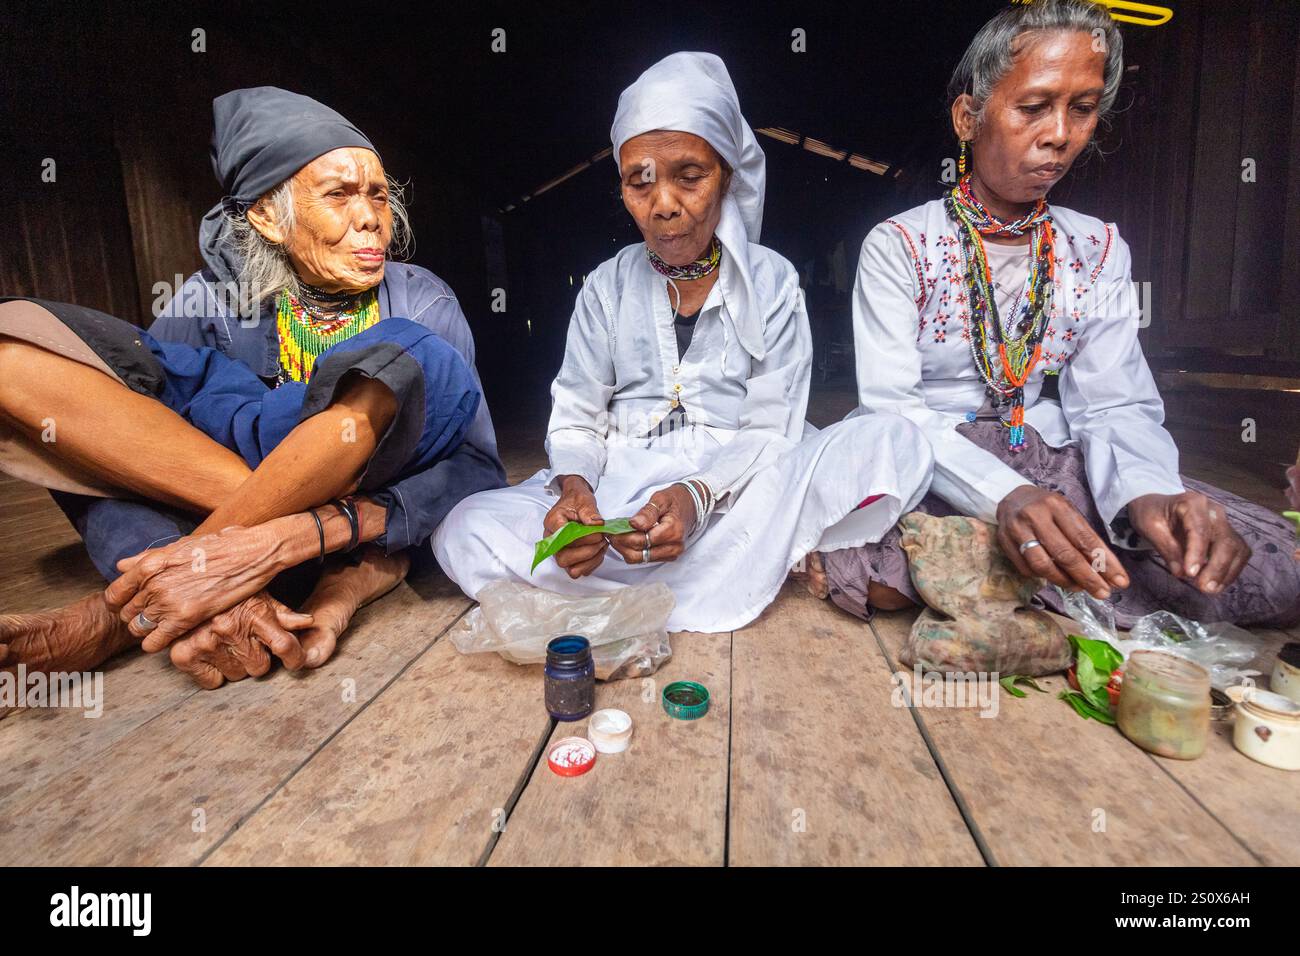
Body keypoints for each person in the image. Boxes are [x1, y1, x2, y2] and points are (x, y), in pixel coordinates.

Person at [815, 0, 1300, 628]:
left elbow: (1112, 401)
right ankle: (1029, 565)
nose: (1060, 134)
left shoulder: (1095, 248)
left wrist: (1146, 492)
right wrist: (1006, 497)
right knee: (869, 574)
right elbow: (895, 413)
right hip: (926, 456)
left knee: (1270, 571)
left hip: (1044, 450)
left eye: (1083, 107)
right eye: (1033, 106)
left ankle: (1006, 574)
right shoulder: (902, 244)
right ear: (969, 117)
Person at [0, 87, 505, 687]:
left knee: (415, 355)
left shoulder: (422, 298)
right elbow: (143, 433)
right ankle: (212, 585)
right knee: (38, 375)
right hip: (238, 517)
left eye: (377, 194)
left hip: (355, 527)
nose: (370, 216)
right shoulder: (206, 301)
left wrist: (327, 573)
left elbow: (473, 471)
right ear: (266, 216)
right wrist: (243, 554)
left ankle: (123, 612)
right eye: (339, 195)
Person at [432, 53, 932, 632]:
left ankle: (634, 589)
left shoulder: (771, 280)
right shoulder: (606, 285)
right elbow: (575, 417)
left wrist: (698, 494)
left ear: (727, 176)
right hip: (621, 489)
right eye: (638, 180)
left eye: (689, 176)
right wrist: (575, 494)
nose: (663, 202)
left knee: (890, 437)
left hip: (739, 489)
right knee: (464, 523)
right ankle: (729, 574)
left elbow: (773, 428)